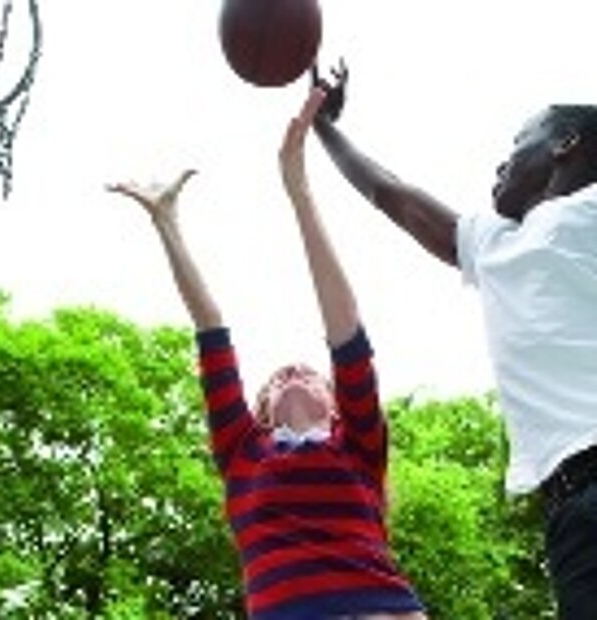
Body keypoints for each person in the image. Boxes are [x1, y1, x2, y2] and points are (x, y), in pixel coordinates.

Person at [106, 89, 428, 620]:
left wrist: (298, 188)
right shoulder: (243, 452)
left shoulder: (359, 442)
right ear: (258, 411)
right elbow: (211, 327)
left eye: (309, 372)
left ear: (335, 399)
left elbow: (345, 330)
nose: (294, 371)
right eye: (277, 378)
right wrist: (166, 224)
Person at [310, 62, 597, 620]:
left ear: (566, 144)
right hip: (569, 508)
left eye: (519, 143)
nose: (502, 159)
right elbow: (390, 193)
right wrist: (325, 129)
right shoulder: (495, 242)